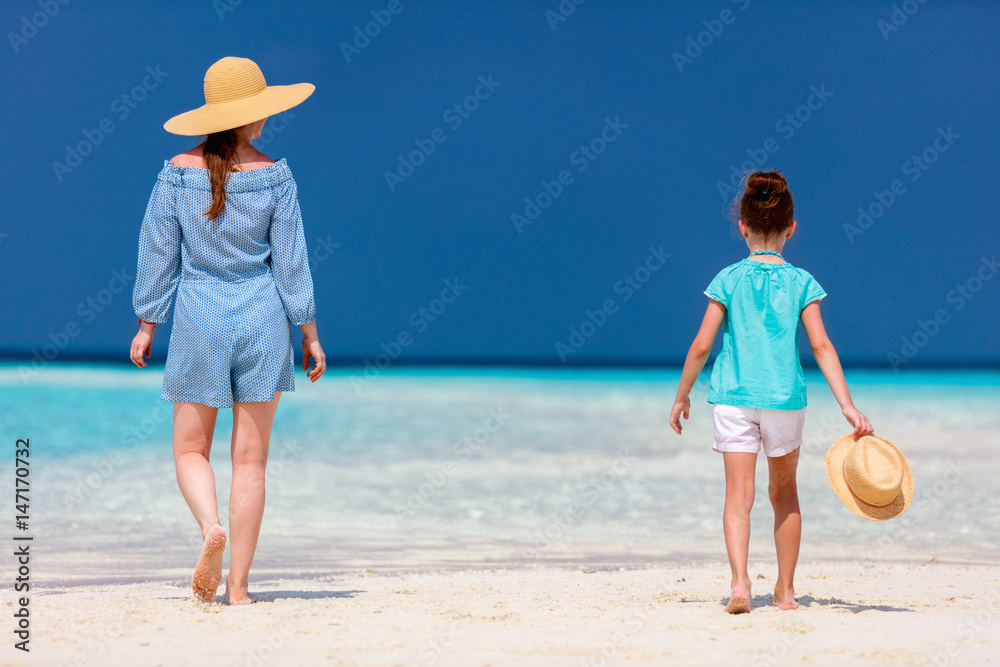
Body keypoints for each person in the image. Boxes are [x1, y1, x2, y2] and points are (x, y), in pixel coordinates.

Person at [129, 57, 326, 605]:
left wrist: (147, 324)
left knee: (191, 451)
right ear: (252, 115)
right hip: (262, 319)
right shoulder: (275, 176)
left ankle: (209, 527)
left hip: (198, 320)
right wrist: (309, 335)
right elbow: (291, 265)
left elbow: (157, 255)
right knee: (250, 462)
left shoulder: (175, 173)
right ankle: (239, 589)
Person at [669, 170, 873, 614]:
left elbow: (702, 345)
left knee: (738, 498)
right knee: (784, 495)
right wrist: (847, 404)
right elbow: (821, 346)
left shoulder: (727, 279)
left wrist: (682, 395)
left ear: (742, 227)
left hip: (733, 398)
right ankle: (784, 591)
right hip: (784, 400)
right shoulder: (802, 282)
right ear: (791, 228)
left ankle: (740, 584)